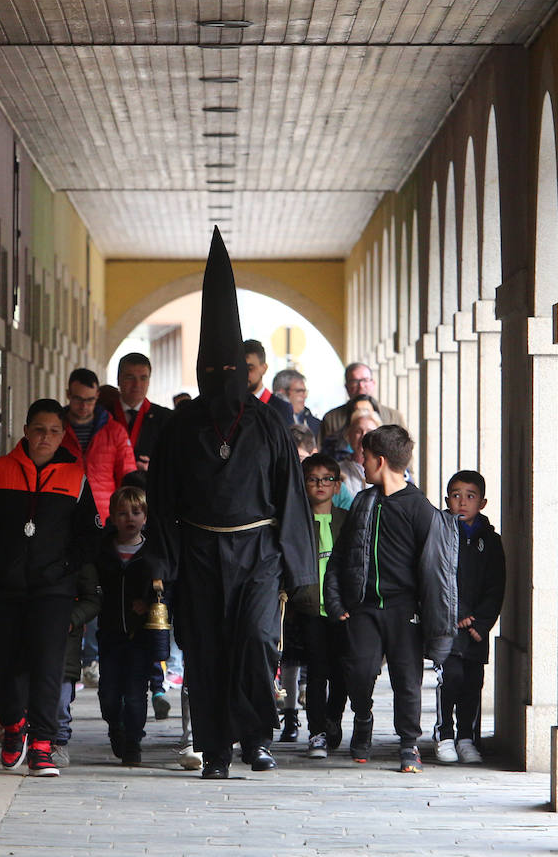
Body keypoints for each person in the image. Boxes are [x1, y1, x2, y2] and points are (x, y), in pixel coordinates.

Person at [145, 228, 317, 779]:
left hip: (259, 555)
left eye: (230, 372)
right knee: (207, 652)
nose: (221, 382)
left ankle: (257, 738)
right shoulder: (179, 426)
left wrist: (299, 572)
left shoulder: (267, 422)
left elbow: (290, 497)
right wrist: (162, 563)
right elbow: (163, 498)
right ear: (200, 373)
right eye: (212, 372)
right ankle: (216, 750)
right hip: (197, 552)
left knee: (258, 642)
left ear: (246, 375)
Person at [0, 398, 102, 776]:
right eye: (39, 429)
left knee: (46, 666)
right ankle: (13, 723)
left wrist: (65, 566)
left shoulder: (76, 476)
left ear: (63, 436)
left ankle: (41, 745)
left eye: (55, 432)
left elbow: (90, 534)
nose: (46, 438)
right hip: (2, 589)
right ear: (25, 431)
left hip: (52, 591)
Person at [323, 424, 457, 774]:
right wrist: (337, 602)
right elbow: (341, 557)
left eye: (365, 457)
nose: (361, 463)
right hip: (363, 608)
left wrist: (434, 620)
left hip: (404, 611)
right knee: (359, 670)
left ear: (380, 461)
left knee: (407, 680)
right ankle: (363, 717)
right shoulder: (364, 502)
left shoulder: (420, 509)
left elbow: (438, 573)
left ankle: (408, 745)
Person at [433, 470, 506, 765]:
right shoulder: (439, 535)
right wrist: (458, 613)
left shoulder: (490, 541)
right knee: (450, 677)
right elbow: (436, 576)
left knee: (472, 681)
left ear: (483, 503)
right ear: (447, 499)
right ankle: (445, 735)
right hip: (448, 623)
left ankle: (467, 736)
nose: (462, 502)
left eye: (470, 496)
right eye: (456, 495)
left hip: (477, 629)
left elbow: (496, 584)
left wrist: (482, 622)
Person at [94, 486, 167, 765]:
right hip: (110, 633)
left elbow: (163, 588)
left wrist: (148, 603)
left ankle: (134, 741)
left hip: (140, 636)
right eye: (122, 513)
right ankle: (115, 727)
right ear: (112, 517)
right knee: (109, 694)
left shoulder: (153, 552)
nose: (129, 519)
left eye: (136, 512)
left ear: (145, 517)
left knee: (136, 694)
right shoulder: (103, 551)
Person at [293, 453, 349, 758]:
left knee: (341, 671)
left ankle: (333, 721)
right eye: (313, 479)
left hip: (341, 608)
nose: (320, 485)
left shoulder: (346, 520)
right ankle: (315, 731)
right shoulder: (298, 522)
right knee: (316, 671)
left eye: (327, 479)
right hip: (310, 607)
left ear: (338, 485)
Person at [62, 367, 137, 521]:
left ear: (97, 396)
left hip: (104, 517)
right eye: (78, 399)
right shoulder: (56, 430)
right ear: (68, 395)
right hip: (63, 514)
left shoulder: (115, 432)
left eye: (90, 400)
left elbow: (127, 478)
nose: (84, 406)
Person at [54, 562, 101, 769]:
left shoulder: (77, 556)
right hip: (31, 628)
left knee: (60, 698)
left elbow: (91, 599)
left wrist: (71, 619)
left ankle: (58, 741)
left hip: (66, 636)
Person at [115, 351, 174, 472]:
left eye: (143, 378)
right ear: (118, 379)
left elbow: (174, 459)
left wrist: (155, 467)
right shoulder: (104, 415)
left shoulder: (166, 418)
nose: (137, 384)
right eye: (130, 377)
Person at [319, 363, 407, 442]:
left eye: (365, 380)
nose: (361, 386)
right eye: (354, 381)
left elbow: (405, 452)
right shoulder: (331, 419)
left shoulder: (394, 417)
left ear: (373, 383)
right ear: (346, 387)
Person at [270, 368, 323, 438]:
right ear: (281, 393)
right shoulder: (266, 422)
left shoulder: (316, 425)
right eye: (299, 391)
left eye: (305, 391)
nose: (305, 396)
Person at [336, 412, 379, 498]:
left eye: (369, 432)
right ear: (349, 435)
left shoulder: (385, 470)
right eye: (358, 431)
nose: (364, 437)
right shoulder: (337, 470)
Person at [242, 338, 274, 404]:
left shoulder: (281, 408)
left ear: (264, 369)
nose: (244, 374)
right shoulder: (229, 406)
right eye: (241, 369)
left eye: (250, 368)